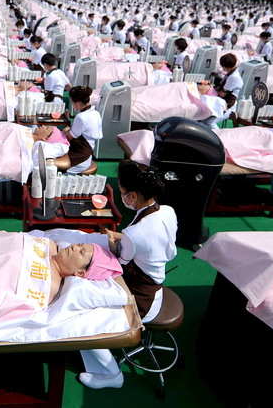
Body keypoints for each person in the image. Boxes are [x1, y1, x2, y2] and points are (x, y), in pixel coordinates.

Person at [79, 160, 178, 389]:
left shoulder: (134, 232)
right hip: (156, 282)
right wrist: (125, 240)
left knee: (83, 319)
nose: (122, 197)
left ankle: (111, 374)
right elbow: (157, 245)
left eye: (123, 193)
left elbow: (120, 264)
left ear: (132, 197)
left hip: (142, 297)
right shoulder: (167, 212)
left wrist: (116, 243)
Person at [55, 86, 103, 173]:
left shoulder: (81, 117)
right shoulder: (96, 113)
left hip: (79, 157)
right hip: (87, 154)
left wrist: (60, 132)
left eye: (72, 102)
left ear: (77, 103)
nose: (72, 105)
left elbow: (69, 137)